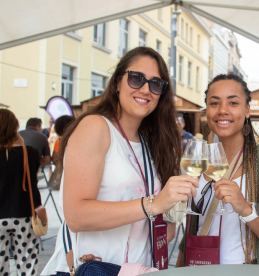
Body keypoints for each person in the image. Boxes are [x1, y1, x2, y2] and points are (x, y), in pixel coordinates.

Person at [42, 47, 199, 275]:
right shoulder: (96, 126)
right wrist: (153, 204)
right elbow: (75, 216)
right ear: (117, 82)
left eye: (156, 84)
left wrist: (173, 208)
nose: (146, 89)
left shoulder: (149, 142)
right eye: (136, 78)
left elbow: (163, 232)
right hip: (95, 268)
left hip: (136, 269)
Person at [176, 74, 259, 266]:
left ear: (247, 110)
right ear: (207, 111)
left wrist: (246, 209)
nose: (223, 110)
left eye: (233, 103)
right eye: (214, 103)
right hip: (199, 269)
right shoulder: (201, 158)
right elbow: (194, 232)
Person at [0, 109, 45, 276]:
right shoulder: (29, 152)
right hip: (25, 213)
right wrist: (18, 140)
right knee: (27, 260)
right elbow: (35, 172)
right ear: (15, 128)